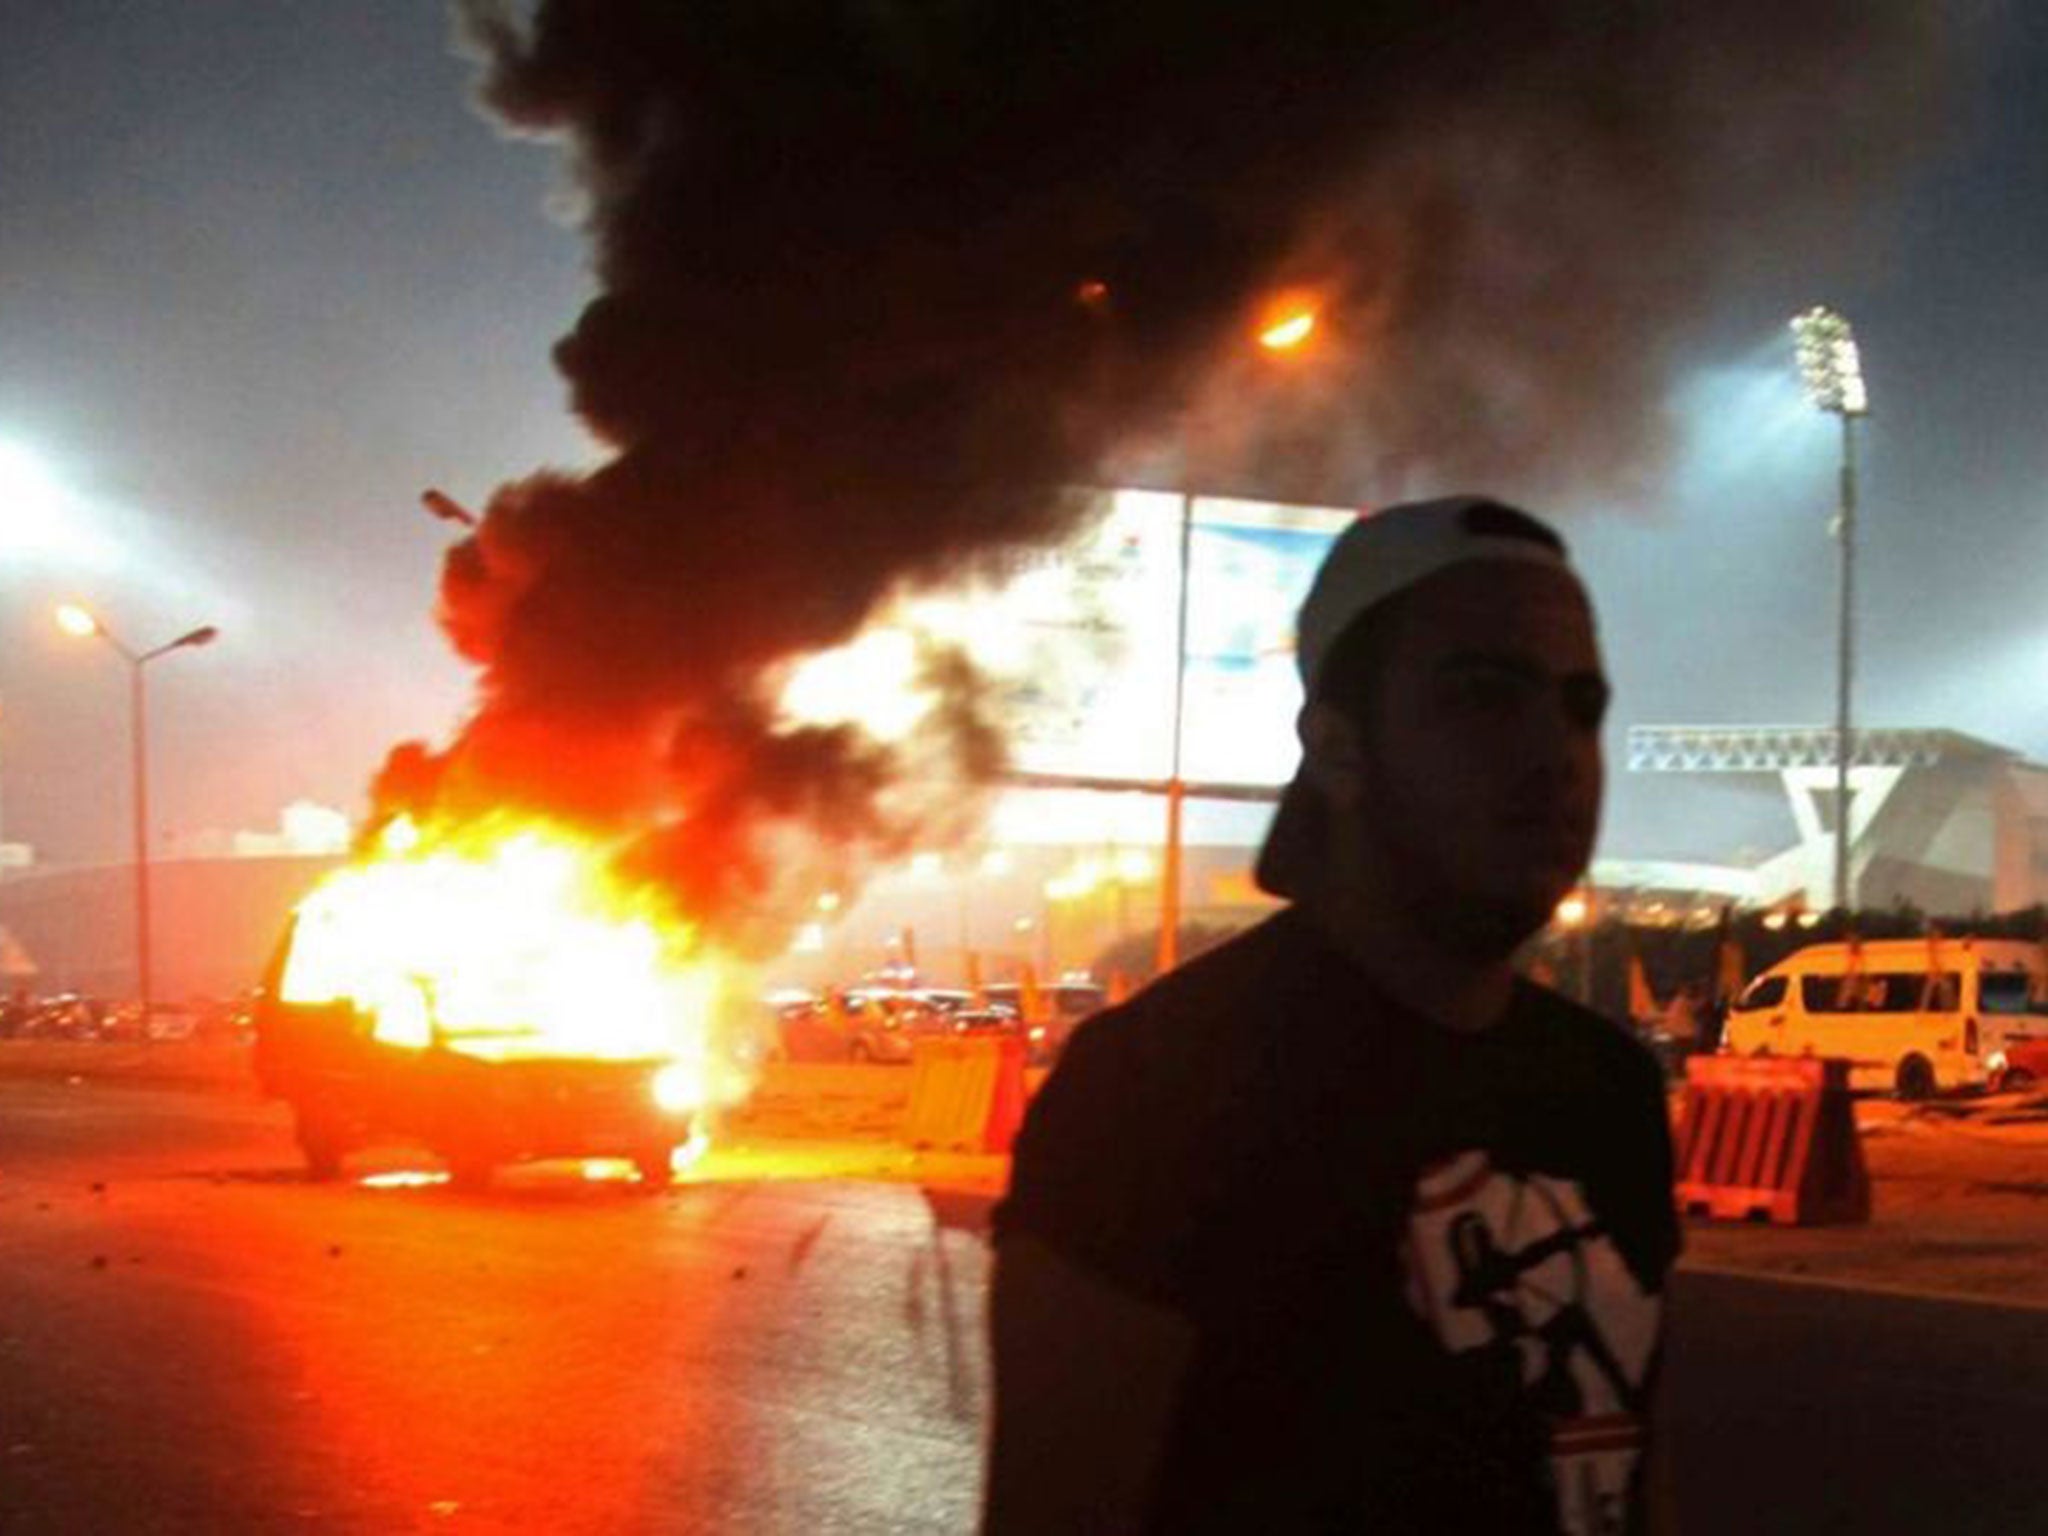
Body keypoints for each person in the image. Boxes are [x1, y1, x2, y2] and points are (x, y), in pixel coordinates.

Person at [984, 497, 1680, 1535]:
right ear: (1338, 748)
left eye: (1578, 705)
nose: (1555, 752)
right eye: (1484, 696)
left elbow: (1617, 1484)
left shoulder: (1604, 1091)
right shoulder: (1153, 1094)